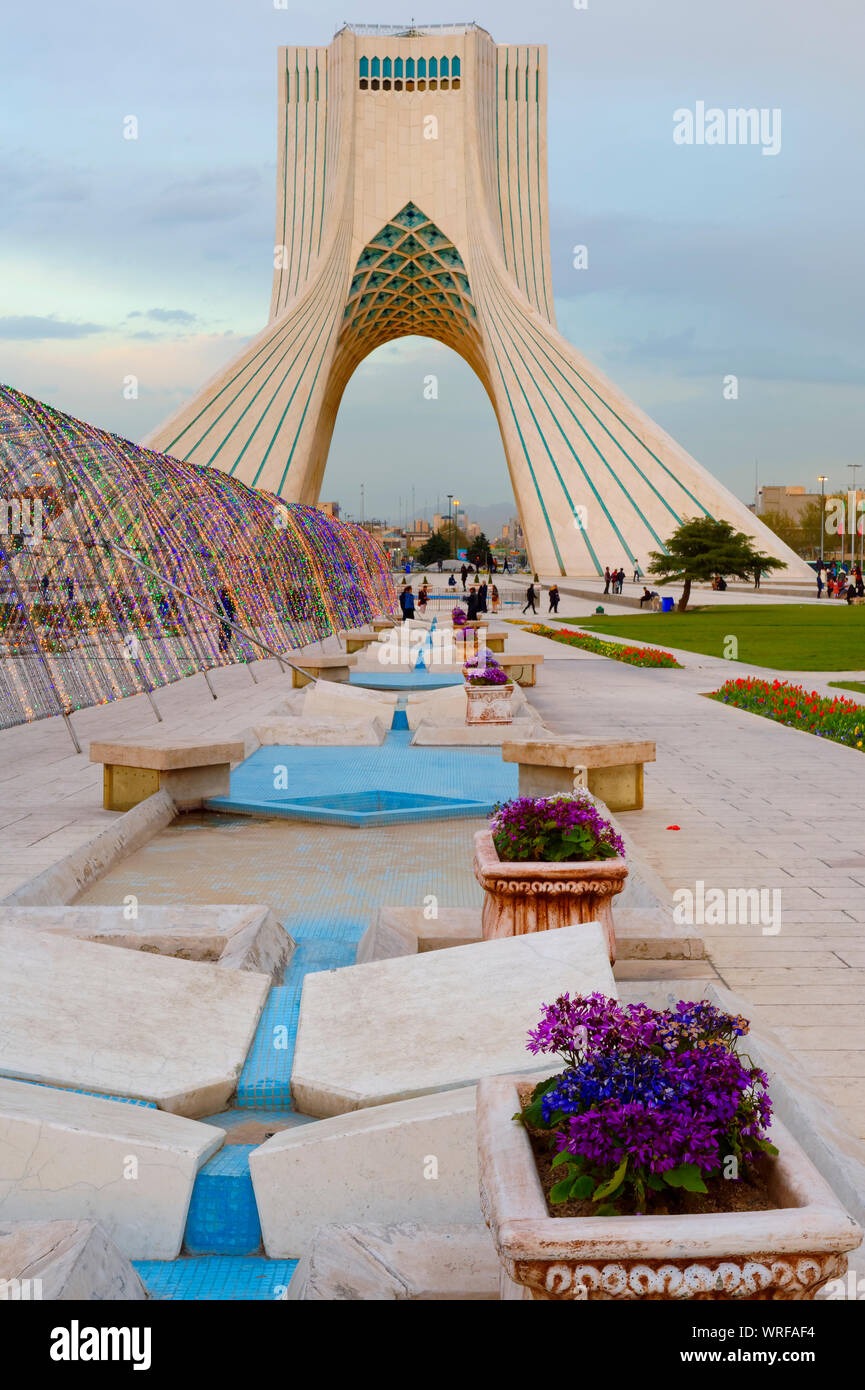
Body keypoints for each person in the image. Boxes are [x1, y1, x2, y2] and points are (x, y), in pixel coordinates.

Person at [217, 586, 235, 652]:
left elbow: (219, 609)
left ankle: (223, 646)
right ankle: (224, 646)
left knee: (224, 632)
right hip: (227, 618)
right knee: (226, 632)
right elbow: (233, 609)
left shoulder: (221, 601)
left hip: (224, 618)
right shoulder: (227, 600)